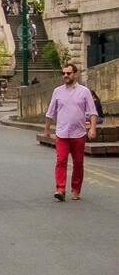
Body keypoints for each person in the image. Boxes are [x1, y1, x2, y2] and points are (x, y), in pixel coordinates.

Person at [45, 64, 98, 201]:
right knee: (61, 161)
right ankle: (60, 189)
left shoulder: (84, 91)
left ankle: (76, 189)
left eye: (68, 73)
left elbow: (92, 112)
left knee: (78, 163)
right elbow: (50, 112)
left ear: (76, 74)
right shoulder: (57, 91)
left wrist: (92, 128)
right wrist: (47, 130)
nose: (66, 76)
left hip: (78, 133)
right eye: (64, 73)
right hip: (62, 133)